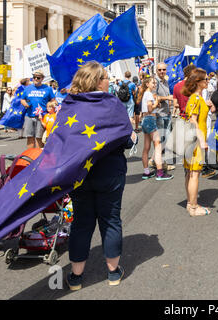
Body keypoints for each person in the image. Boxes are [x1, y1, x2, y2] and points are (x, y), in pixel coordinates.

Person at [65, 61, 133, 291]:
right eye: (105, 77)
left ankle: (76, 277)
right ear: (97, 81)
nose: (109, 81)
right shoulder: (111, 103)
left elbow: (61, 138)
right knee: (111, 219)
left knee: (81, 223)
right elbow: (126, 139)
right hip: (109, 172)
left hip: (78, 173)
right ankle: (113, 272)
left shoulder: (70, 104)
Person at [182, 68, 211, 217]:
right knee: (194, 173)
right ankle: (193, 206)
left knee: (190, 172)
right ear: (198, 82)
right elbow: (193, 120)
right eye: (205, 79)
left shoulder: (197, 98)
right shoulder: (195, 98)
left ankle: (190, 203)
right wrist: (202, 140)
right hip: (195, 141)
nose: (208, 81)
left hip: (192, 140)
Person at [137, 76, 173, 181]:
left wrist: (155, 105)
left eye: (155, 83)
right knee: (158, 146)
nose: (155, 84)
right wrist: (156, 103)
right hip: (150, 120)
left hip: (145, 121)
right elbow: (149, 109)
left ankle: (146, 172)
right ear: (147, 84)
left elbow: (148, 108)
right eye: (153, 83)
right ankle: (160, 173)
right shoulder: (148, 94)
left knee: (146, 147)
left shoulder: (145, 94)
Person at [21, 71, 56, 149]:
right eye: (34, 77)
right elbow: (22, 99)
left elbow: (53, 100)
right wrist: (25, 104)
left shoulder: (48, 88)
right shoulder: (28, 88)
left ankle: (38, 157)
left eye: (38, 77)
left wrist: (51, 105)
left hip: (42, 117)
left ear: (42, 78)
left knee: (39, 138)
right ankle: (30, 156)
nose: (36, 79)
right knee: (29, 137)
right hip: (29, 116)